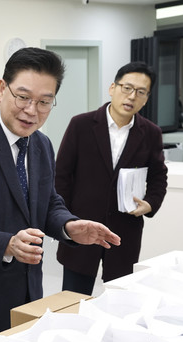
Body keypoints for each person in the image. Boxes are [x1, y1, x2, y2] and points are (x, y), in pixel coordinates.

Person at [0, 47, 121, 342]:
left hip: (26, 296)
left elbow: (47, 203)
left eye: (44, 102)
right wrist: (8, 244)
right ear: (2, 89)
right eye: (23, 97)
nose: (32, 110)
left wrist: (68, 226)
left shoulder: (41, 145)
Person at [55, 62, 168, 296]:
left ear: (146, 99)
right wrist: (64, 219)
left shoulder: (151, 133)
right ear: (112, 88)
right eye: (127, 88)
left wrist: (150, 203)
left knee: (119, 298)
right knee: (73, 299)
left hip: (124, 229)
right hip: (82, 225)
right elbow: (62, 175)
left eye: (141, 92)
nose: (132, 96)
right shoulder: (81, 124)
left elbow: (159, 176)